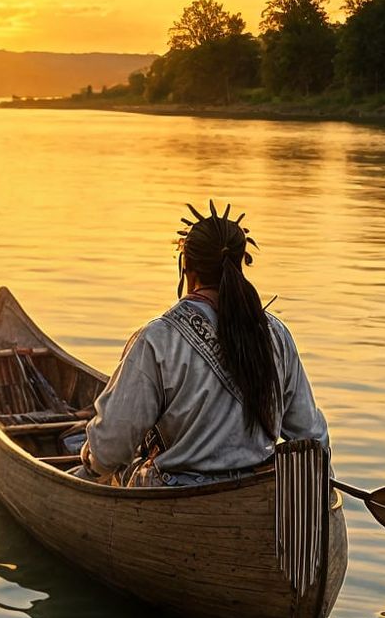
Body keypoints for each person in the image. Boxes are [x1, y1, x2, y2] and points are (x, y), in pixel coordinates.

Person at [77, 202, 327, 488]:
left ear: (187, 267)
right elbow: (312, 438)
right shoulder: (275, 334)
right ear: (240, 262)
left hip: (176, 494)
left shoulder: (159, 338)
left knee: (106, 472)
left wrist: (91, 462)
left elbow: (111, 447)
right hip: (258, 491)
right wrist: (322, 489)